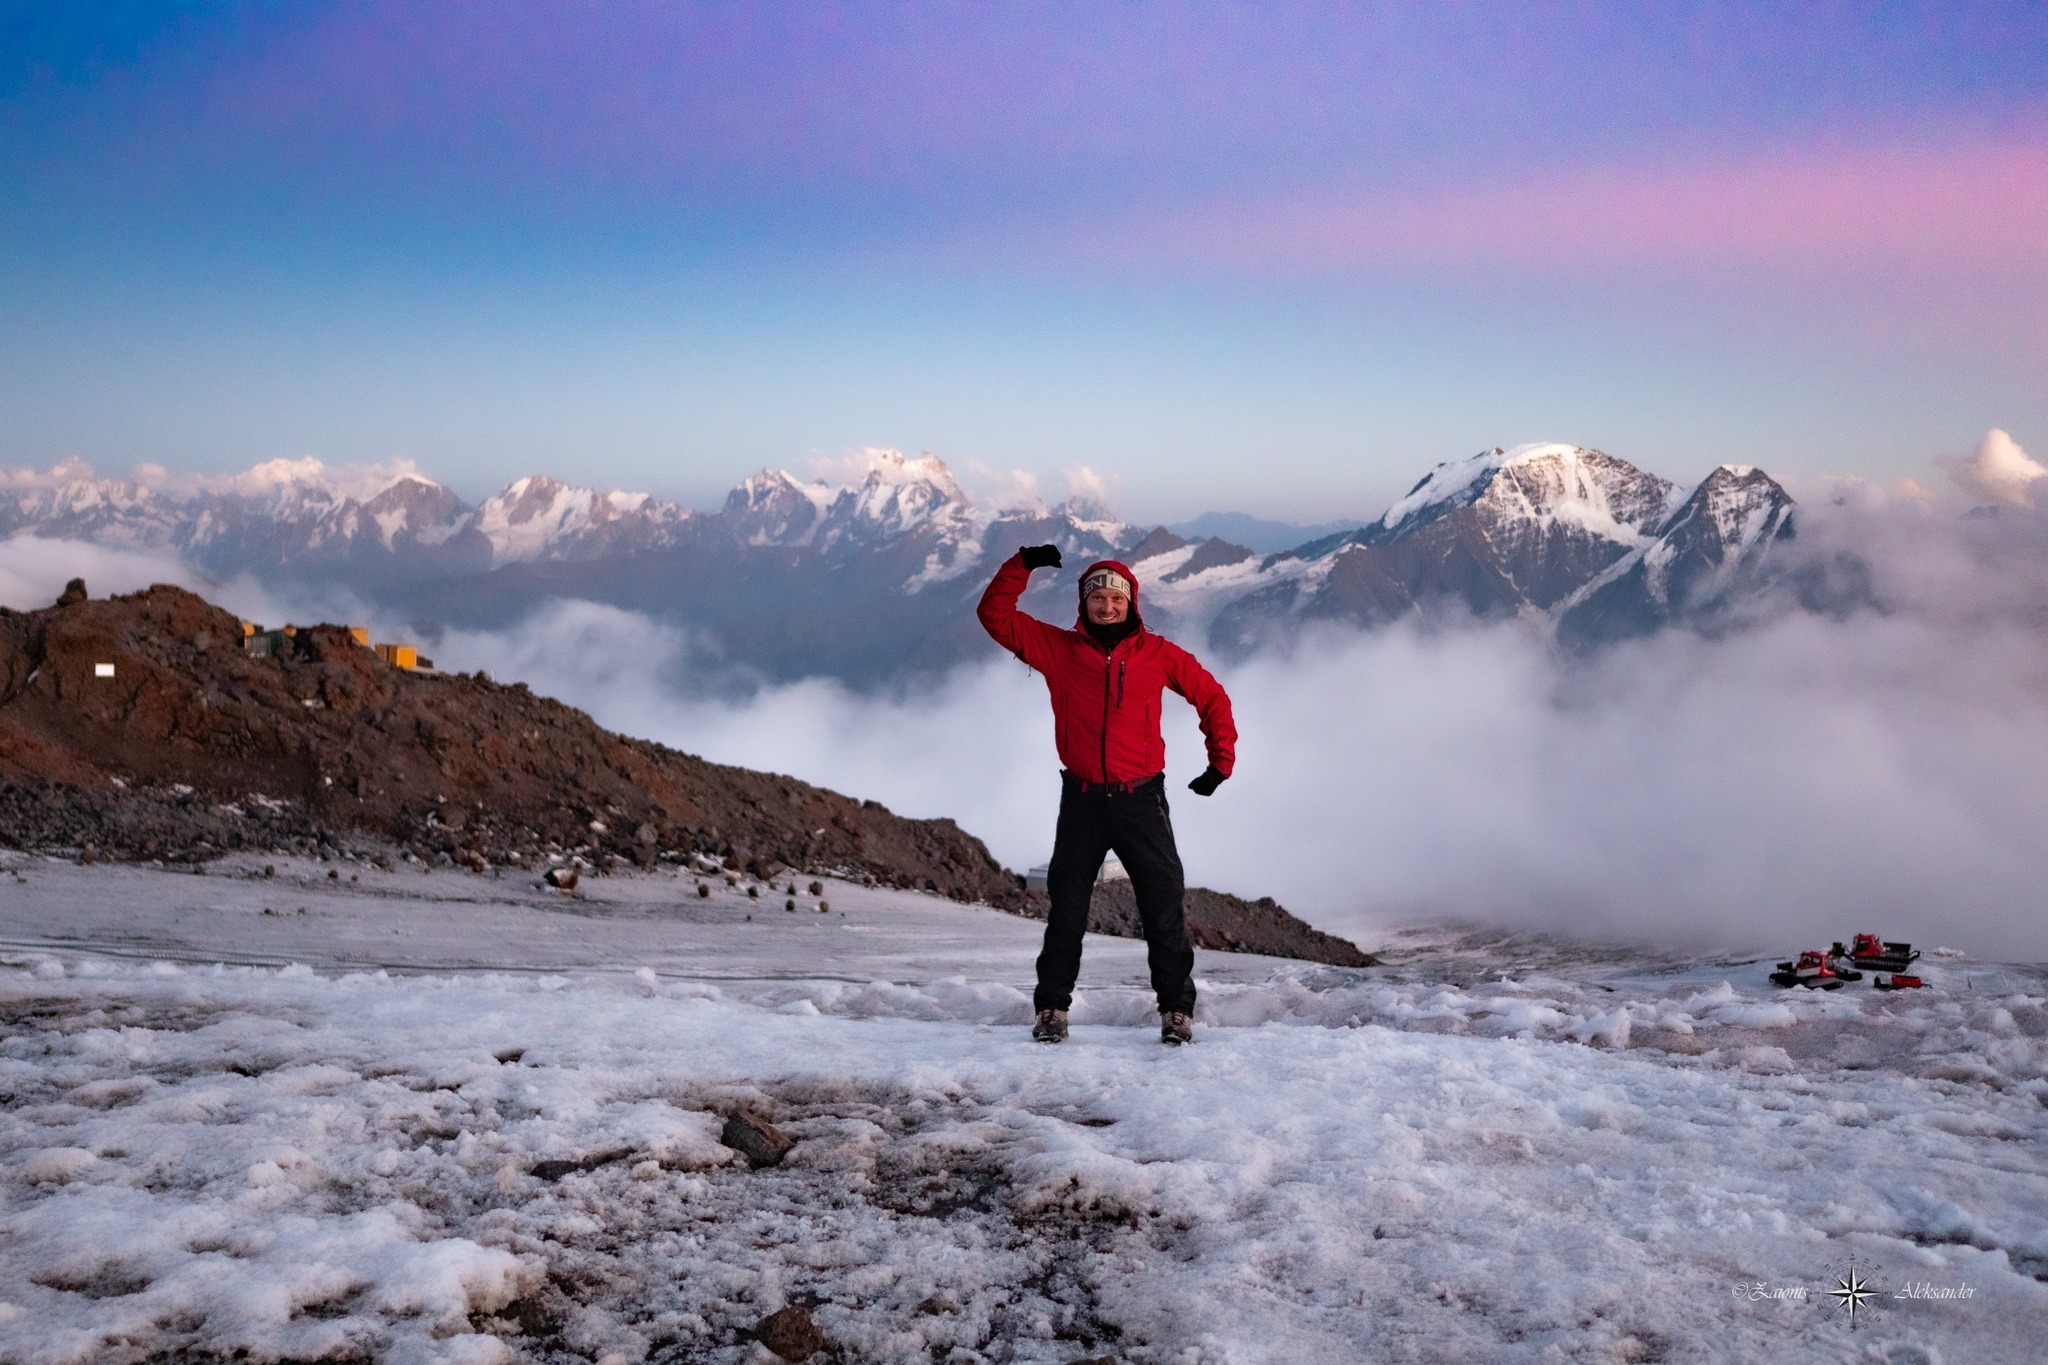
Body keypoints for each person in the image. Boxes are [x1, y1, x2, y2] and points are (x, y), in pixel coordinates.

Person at [977, 543, 1236, 1045]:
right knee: (1067, 910)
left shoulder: (1158, 655)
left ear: (1131, 602)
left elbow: (1212, 697)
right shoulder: (1057, 649)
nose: (1107, 606)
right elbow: (994, 615)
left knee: (1163, 907)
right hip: (1082, 800)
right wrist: (1022, 564)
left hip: (1142, 798)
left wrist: (1218, 763)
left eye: (1116, 598)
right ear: (1084, 603)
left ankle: (1176, 1013)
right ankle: (1052, 1009)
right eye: (1098, 598)